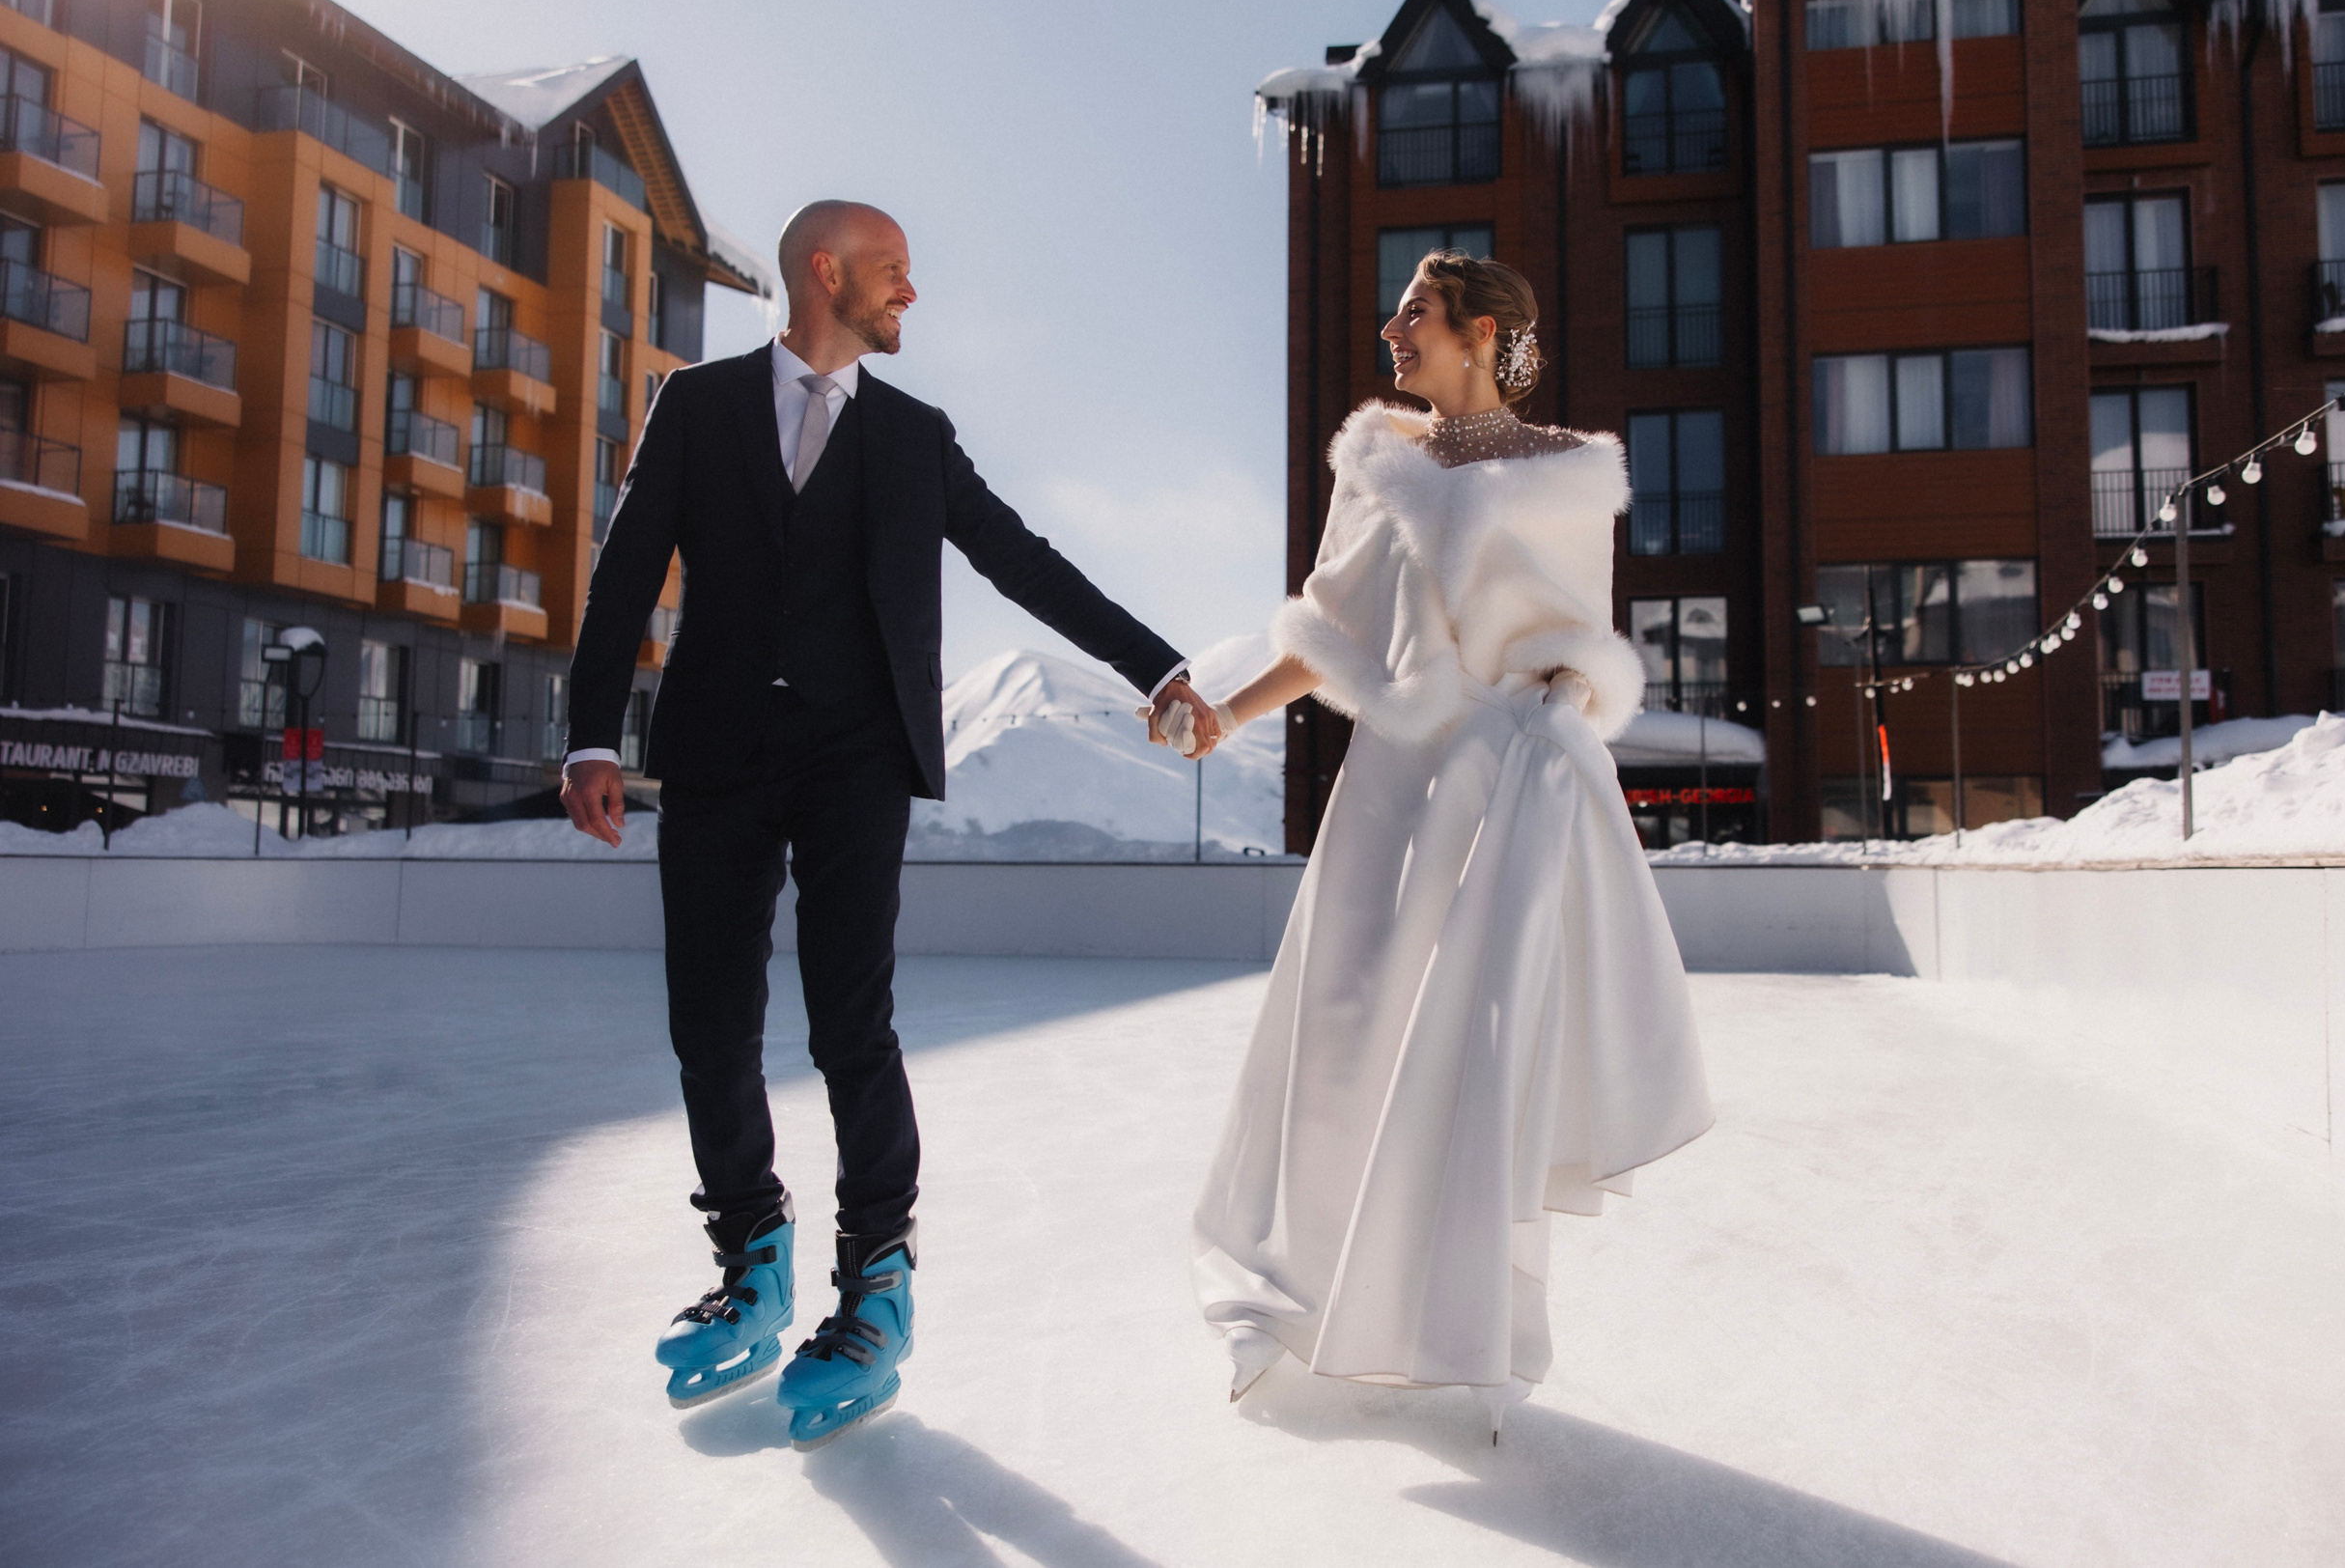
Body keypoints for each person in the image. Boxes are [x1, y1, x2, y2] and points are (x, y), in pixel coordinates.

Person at [560, 200, 1219, 1445]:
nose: (910, 296)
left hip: (856, 758)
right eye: (893, 275)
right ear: (828, 274)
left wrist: (1157, 666)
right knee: (709, 1020)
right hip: (713, 757)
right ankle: (750, 1253)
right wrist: (592, 734)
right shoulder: (695, 407)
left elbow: (1024, 562)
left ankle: (875, 1284)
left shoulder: (916, 438)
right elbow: (626, 566)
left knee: (849, 1025)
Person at [1179, 250, 1713, 1442]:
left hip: (1503, 788)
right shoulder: (1375, 460)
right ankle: (1292, 1300)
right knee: (1338, 1033)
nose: (1389, 330)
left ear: (1478, 332)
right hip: (1390, 789)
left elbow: (1578, 651)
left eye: (1413, 312)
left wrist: (1559, 721)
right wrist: (1224, 712)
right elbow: (1329, 630)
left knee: (1471, 1057)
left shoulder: (1572, 477)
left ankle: (1458, 1331)